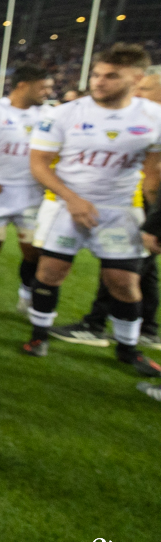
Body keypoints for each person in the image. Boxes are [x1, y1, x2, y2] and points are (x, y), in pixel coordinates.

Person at [20, 43, 161, 377]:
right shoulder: (64, 113)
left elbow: (154, 176)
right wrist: (72, 198)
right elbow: (38, 164)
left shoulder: (153, 117)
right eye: (97, 74)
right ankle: (38, 337)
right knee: (50, 272)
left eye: (111, 76)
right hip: (65, 208)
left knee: (124, 282)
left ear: (136, 78)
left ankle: (128, 349)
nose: (99, 81)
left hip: (119, 211)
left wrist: (155, 222)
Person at [53, 67, 161, 350]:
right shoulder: (138, 121)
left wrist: (154, 223)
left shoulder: (153, 122)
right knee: (136, 271)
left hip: (140, 208)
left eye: (146, 89)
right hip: (137, 207)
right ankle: (141, 328)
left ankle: (102, 325)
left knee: (126, 272)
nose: (139, 94)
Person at [0, 65, 54, 322]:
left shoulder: (50, 114)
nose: (48, 92)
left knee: (33, 251)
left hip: (32, 195)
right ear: (22, 85)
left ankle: (26, 297)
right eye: (43, 87)